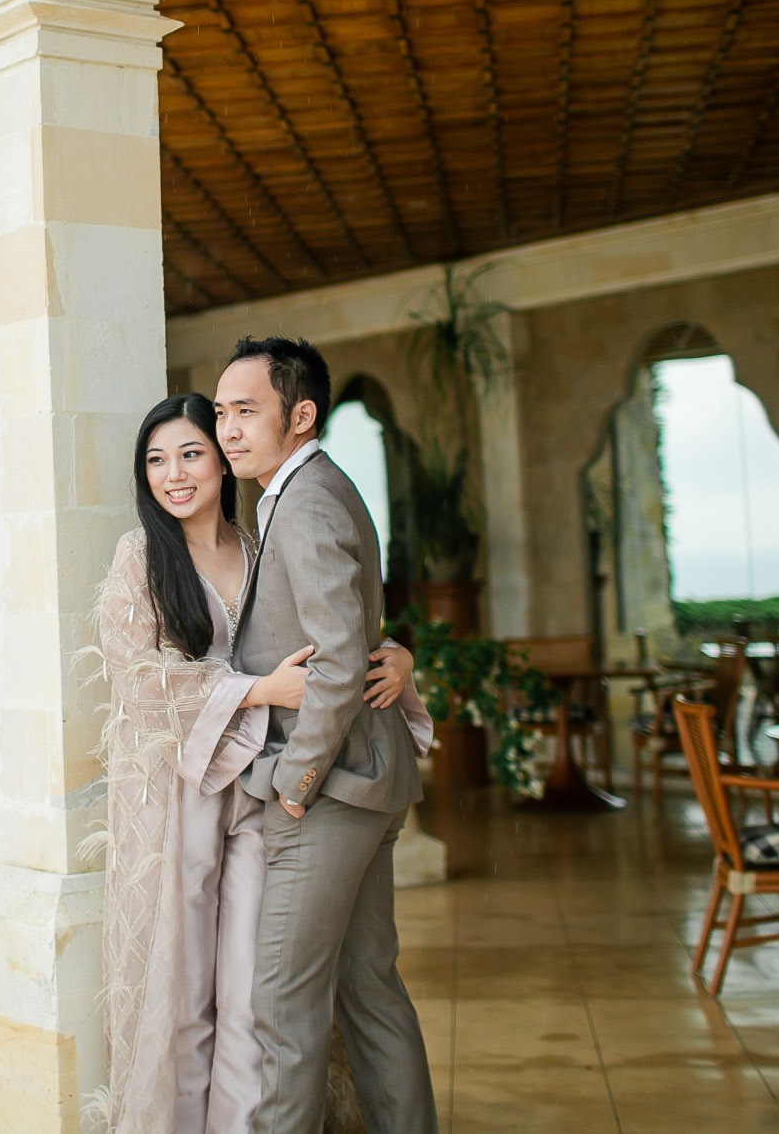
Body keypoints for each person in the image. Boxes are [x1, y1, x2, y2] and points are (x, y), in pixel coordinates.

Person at [95, 394, 426, 1134]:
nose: (173, 474)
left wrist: (397, 657)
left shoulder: (258, 544)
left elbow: (330, 632)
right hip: (180, 802)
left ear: (221, 457)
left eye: (189, 452)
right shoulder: (141, 557)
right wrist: (256, 689)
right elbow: (138, 678)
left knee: (250, 988)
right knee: (183, 987)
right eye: (155, 459)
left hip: (259, 796)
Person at [216, 337, 440, 1134]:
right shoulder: (303, 490)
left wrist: (293, 783)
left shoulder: (304, 499)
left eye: (247, 410)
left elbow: (341, 660)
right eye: (221, 412)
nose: (229, 429)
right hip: (371, 780)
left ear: (300, 414)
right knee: (371, 990)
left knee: (282, 1002)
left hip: (332, 790)